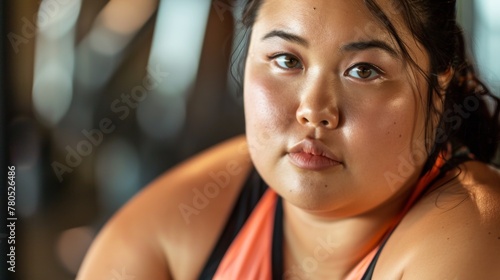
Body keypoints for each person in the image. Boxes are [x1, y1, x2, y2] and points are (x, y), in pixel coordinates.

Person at [77, 0, 500, 279]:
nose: (314, 110)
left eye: (364, 70)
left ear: (439, 84)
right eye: (287, 60)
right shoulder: (172, 230)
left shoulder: (471, 238)